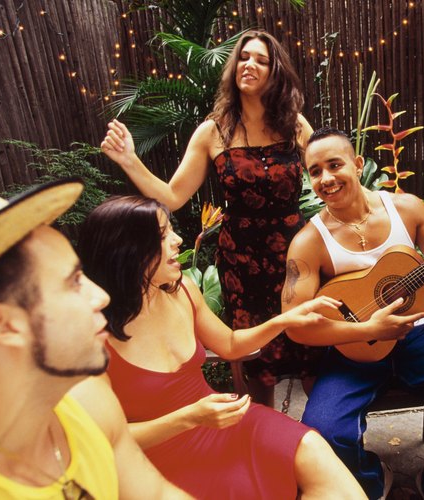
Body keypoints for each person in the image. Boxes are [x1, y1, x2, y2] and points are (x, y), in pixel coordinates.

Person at [0, 176, 190, 498]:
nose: (100, 296)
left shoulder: (88, 401)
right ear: (3, 324)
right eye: (73, 282)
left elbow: (155, 493)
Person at [76, 195, 365, 499]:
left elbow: (229, 344)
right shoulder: (92, 337)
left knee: (313, 448)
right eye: (162, 235)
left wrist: (285, 320)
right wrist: (190, 418)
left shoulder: (182, 290)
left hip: (225, 422)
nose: (177, 240)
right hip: (156, 456)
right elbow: (101, 441)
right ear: (125, 252)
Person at [281, 127, 424, 499]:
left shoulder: (407, 209)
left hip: (419, 331)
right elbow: (296, 328)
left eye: (334, 165)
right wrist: (368, 327)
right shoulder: (309, 242)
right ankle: (373, 479)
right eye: (315, 171)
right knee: (323, 430)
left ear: (358, 163)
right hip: (354, 343)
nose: (326, 179)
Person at [101, 30, 318, 407]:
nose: (249, 64)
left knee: (312, 347)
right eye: (244, 57)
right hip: (243, 262)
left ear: (275, 72)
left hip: (296, 256)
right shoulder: (212, 131)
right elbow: (172, 196)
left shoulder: (295, 125)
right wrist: (129, 161)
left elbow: (329, 174)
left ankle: (327, 432)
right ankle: (262, 437)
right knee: (256, 361)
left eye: (261, 60)